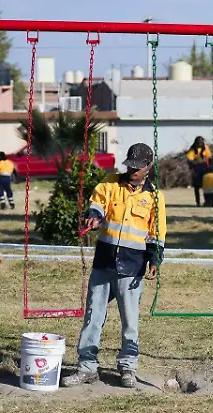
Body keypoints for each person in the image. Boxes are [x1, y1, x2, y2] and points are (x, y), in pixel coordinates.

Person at [63, 143, 166, 389]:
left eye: (138, 167)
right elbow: (98, 204)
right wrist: (94, 216)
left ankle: (128, 367)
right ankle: (87, 367)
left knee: (130, 321)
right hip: (104, 262)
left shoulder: (154, 197)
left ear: (149, 166)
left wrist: (154, 259)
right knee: (93, 316)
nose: (133, 171)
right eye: (130, 166)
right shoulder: (110, 184)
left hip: (132, 266)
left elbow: (157, 232)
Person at [186, 136, 212, 207]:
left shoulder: (205, 148)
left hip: (205, 168)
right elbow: (189, 160)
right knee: (196, 187)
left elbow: (209, 158)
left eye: (201, 142)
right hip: (196, 169)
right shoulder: (193, 149)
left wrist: (210, 167)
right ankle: (198, 202)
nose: (200, 143)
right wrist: (193, 168)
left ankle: (208, 201)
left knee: (206, 185)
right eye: (198, 142)